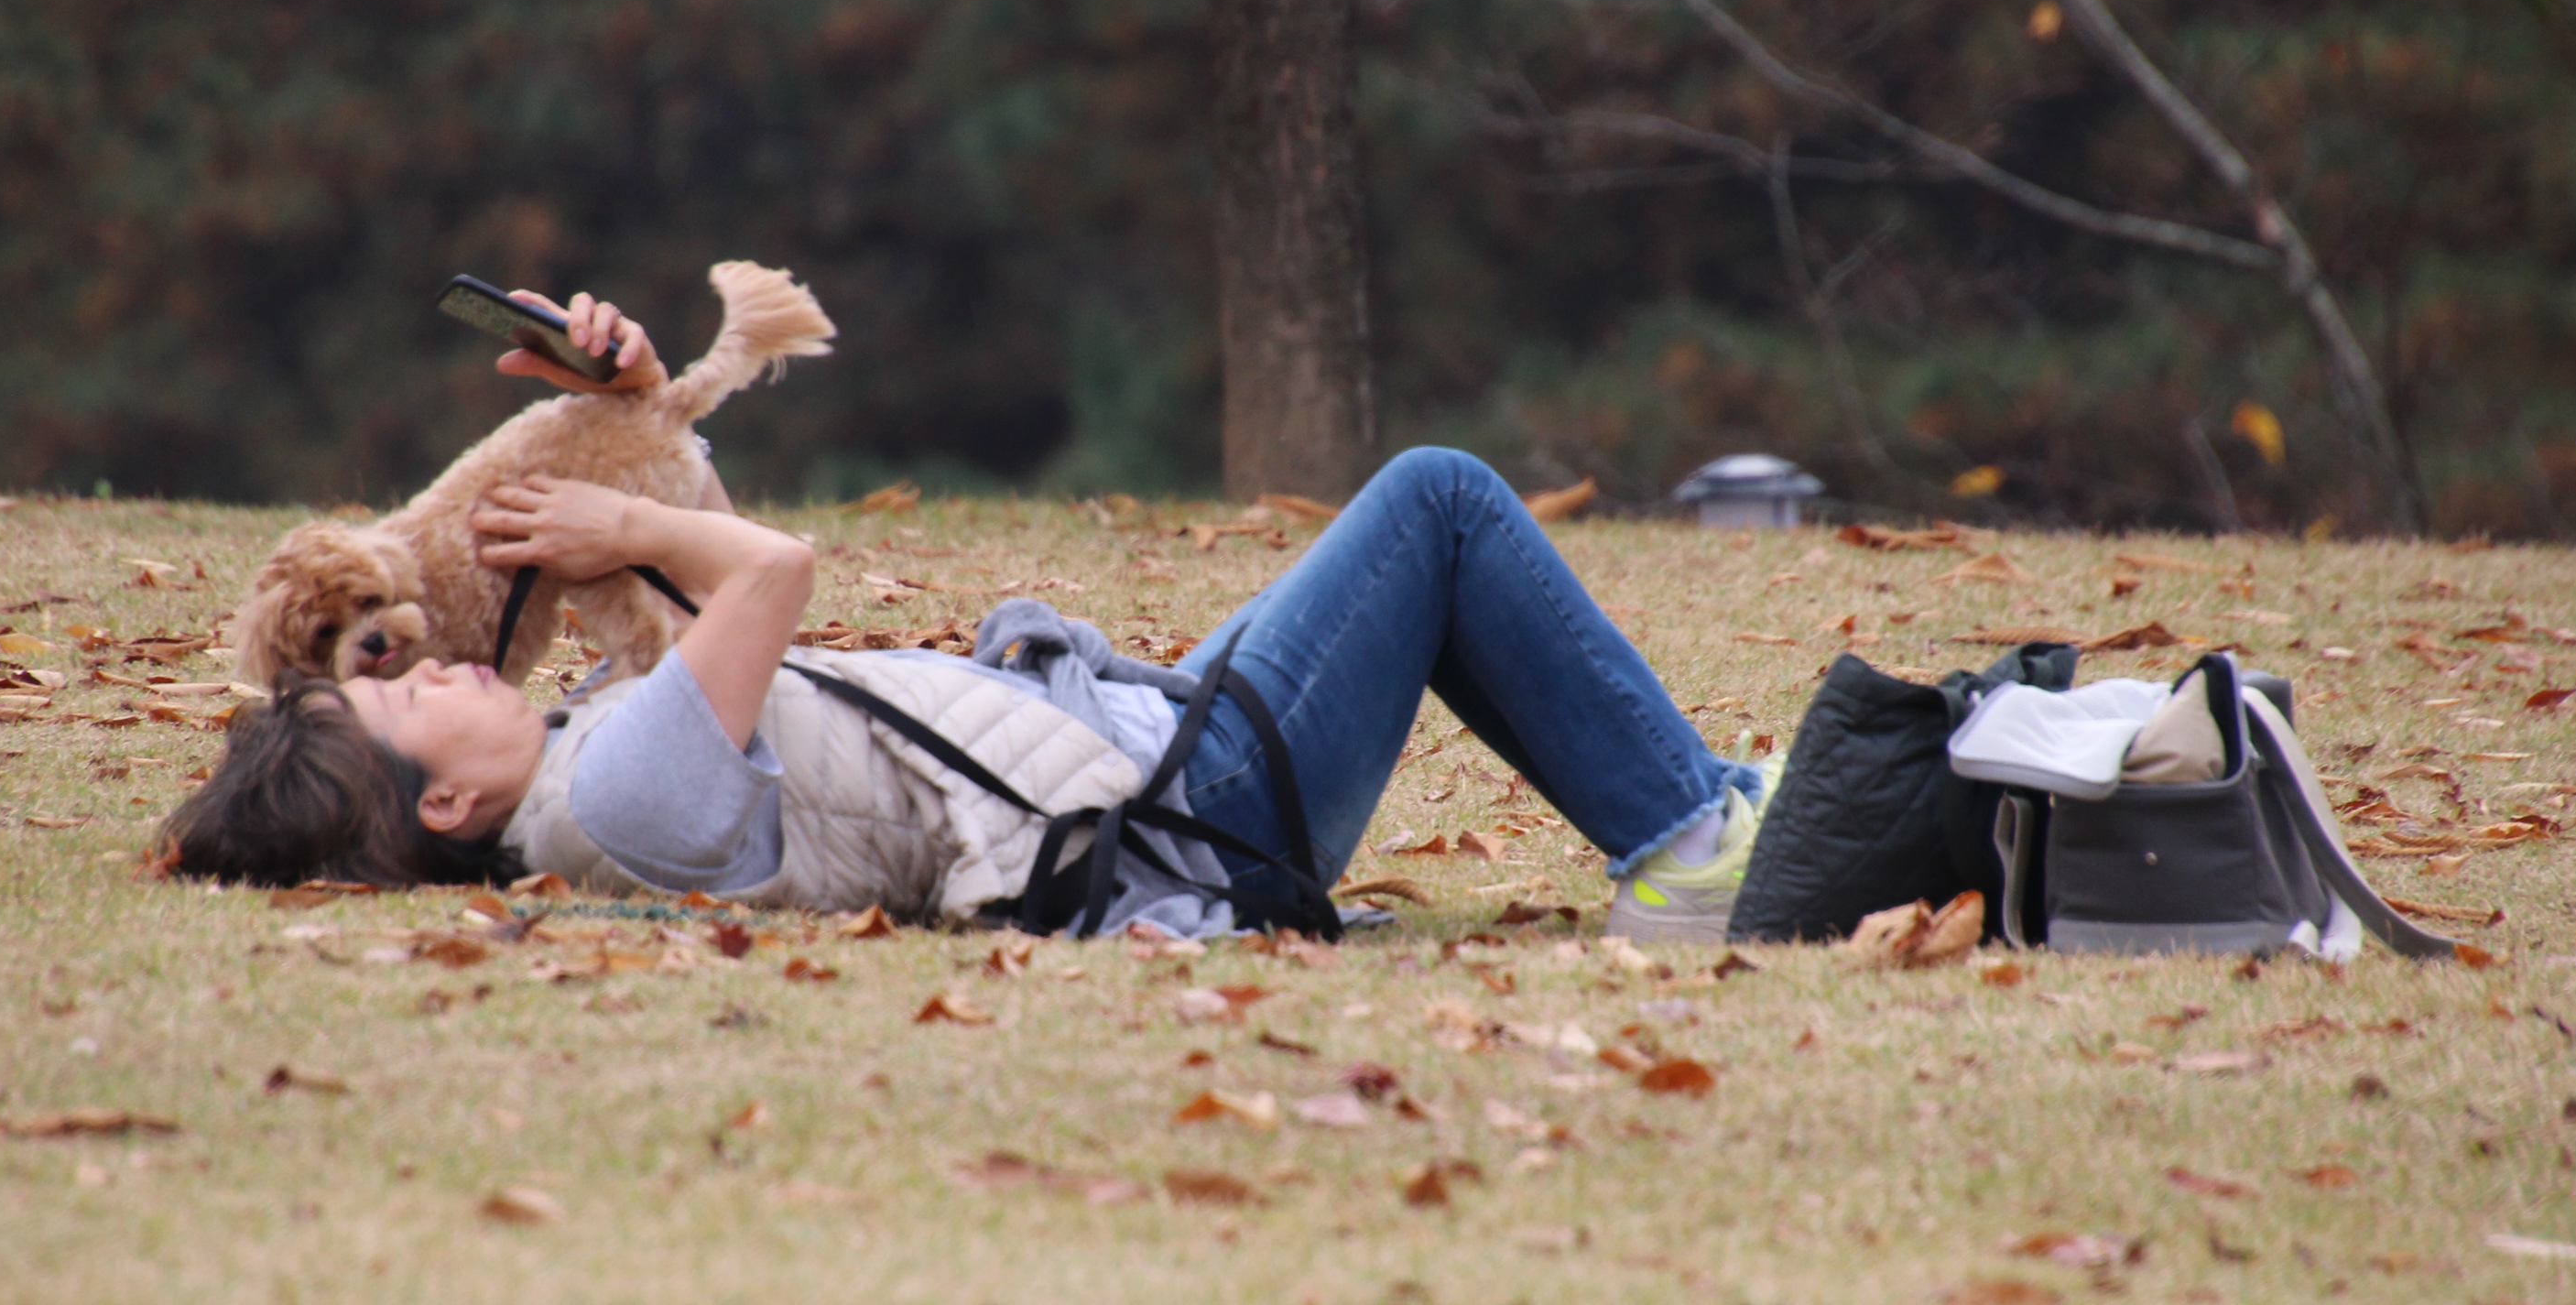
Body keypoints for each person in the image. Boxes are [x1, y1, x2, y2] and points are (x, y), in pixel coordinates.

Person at [160, 296, 1774, 941]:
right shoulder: (623, 793)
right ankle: (1695, 845)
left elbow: (714, 586)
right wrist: (627, 525)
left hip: (1136, 752)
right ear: (446, 807)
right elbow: (769, 574)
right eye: (406, 701)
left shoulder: (590, 776)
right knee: (1436, 499)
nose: (443, 668)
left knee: (1413, 552)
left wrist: (630, 412)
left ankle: (1685, 813)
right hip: (1183, 810)